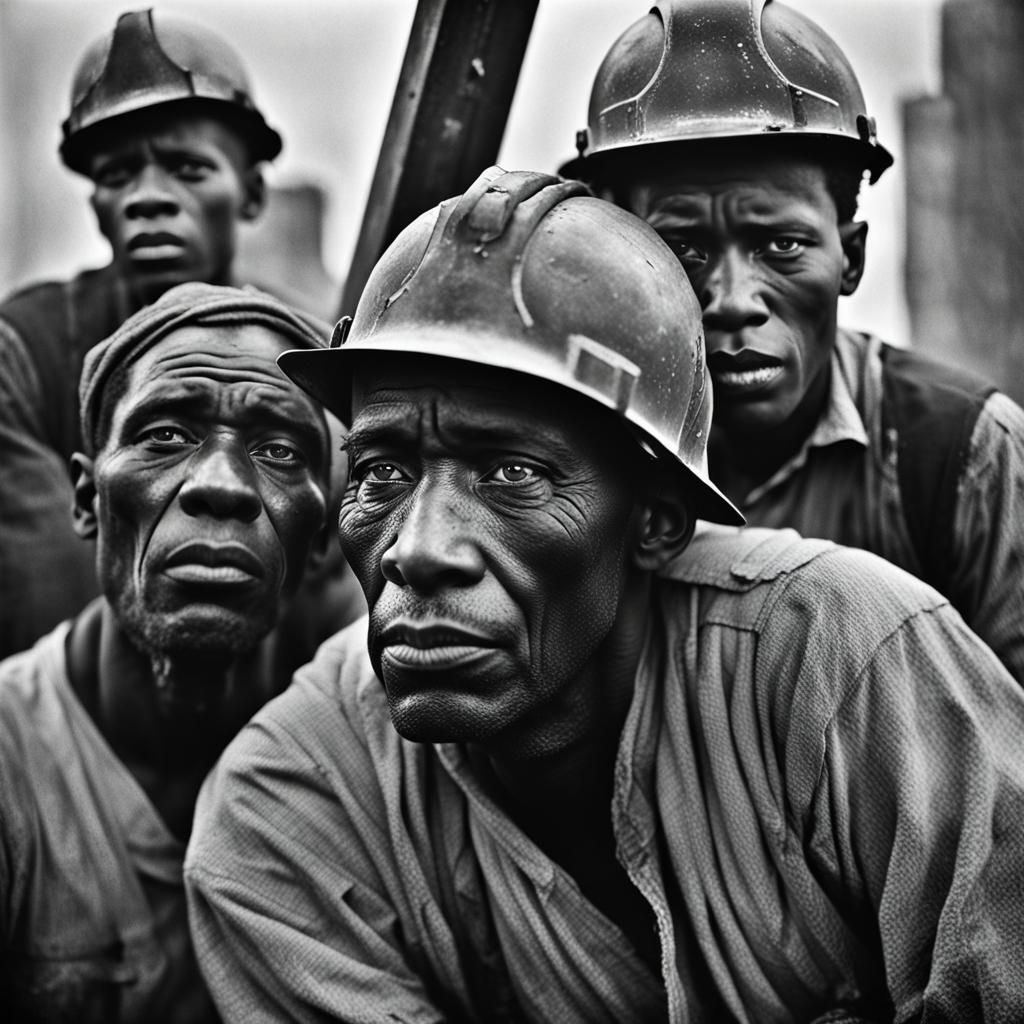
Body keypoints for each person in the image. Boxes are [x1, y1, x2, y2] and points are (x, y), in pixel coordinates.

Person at [185, 168, 1024, 1022]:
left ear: (656, 520)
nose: (419, 548)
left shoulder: (848, 660)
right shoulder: (290, 802)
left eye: (513, 472)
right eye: (383, 472)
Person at [558, 0, 1024, 684]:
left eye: (782, 245)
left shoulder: (965, 457)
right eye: (682, 249)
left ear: (851, 260)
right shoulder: (578, 451)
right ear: (621, 264)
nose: (733, 301)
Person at [0, 283, 348, 1023]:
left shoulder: (367, 757)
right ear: (88, 501)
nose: (221, 485)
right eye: (164, 435)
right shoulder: (9, 758)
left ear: (319, 537)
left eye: (279, 449)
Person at [0, 9, 285, 658]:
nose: (146, 197)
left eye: (187, 167)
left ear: (251, 194)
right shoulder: (22, 351)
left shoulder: (303, 361)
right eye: (117, 173)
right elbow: (47, 618)